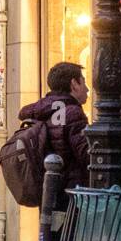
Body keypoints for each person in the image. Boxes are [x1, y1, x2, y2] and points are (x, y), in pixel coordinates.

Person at [18, 61, 91, 199]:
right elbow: (86, 155)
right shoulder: (73, 113)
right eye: (83, 82)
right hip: (71, 193)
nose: (87, 89)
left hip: (47, 191)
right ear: (74, 84)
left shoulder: (39, 112)